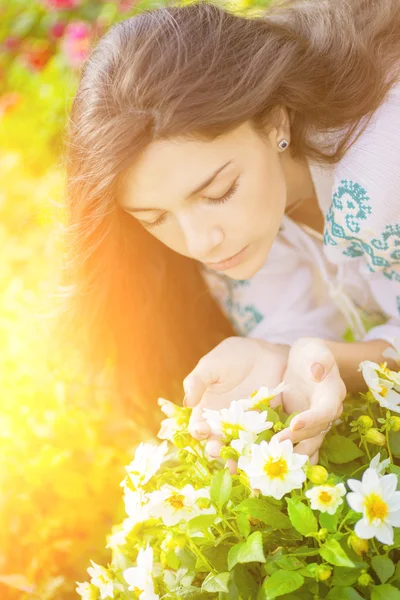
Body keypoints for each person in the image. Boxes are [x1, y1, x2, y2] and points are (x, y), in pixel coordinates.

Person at [63, 0, 400, 462]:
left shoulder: (385, 158)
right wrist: (278, 356)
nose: (199, 243)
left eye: (218, 191)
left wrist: (333, 359)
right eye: (154, 218)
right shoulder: (240, 226)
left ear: (276, 120)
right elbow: (296, 317)